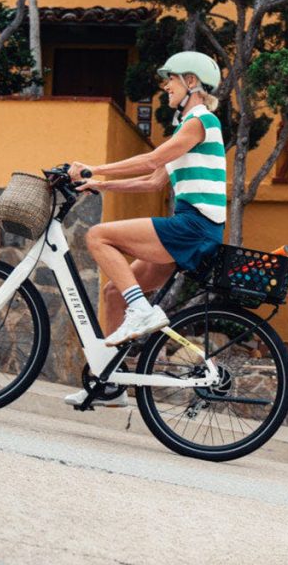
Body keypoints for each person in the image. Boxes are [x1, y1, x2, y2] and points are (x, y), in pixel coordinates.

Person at [62, 51, 226, 407]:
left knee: (98, 235)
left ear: (191, 83)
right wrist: (100, 185)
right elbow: (153, 180)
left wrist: (92, 169)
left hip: (194, 226)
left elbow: (151, 159)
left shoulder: (202, 121)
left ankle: (142, 312)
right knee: (113, 294)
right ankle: (109, 385)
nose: (165, 85)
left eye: (171, 78)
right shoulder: (189, 128)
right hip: (192, 228)